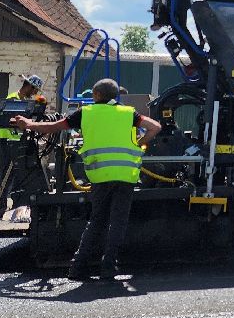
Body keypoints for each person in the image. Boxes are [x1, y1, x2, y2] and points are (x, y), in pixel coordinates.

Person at [13, 78, 161, 283]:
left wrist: (28, 124)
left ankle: (77, 267)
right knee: (118, 222)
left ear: (97, 95)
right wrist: (138, 143)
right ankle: (108, 267)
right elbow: (155, 127)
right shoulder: (129, 113)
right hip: (126, 176)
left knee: (97, 220)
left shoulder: (86, 113)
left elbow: (53, 127)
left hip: (100, 176)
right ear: (115, 95)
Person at [0, 74, 44, 215]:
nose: (34, 93)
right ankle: (2, 206)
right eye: (34, 90)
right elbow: (10, 121)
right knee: (8, 173)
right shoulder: (13, 99)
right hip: (8, 139)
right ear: (29, 86)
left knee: (19, 172)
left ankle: (16, 204)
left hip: (17, 139)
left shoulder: (24, 101)